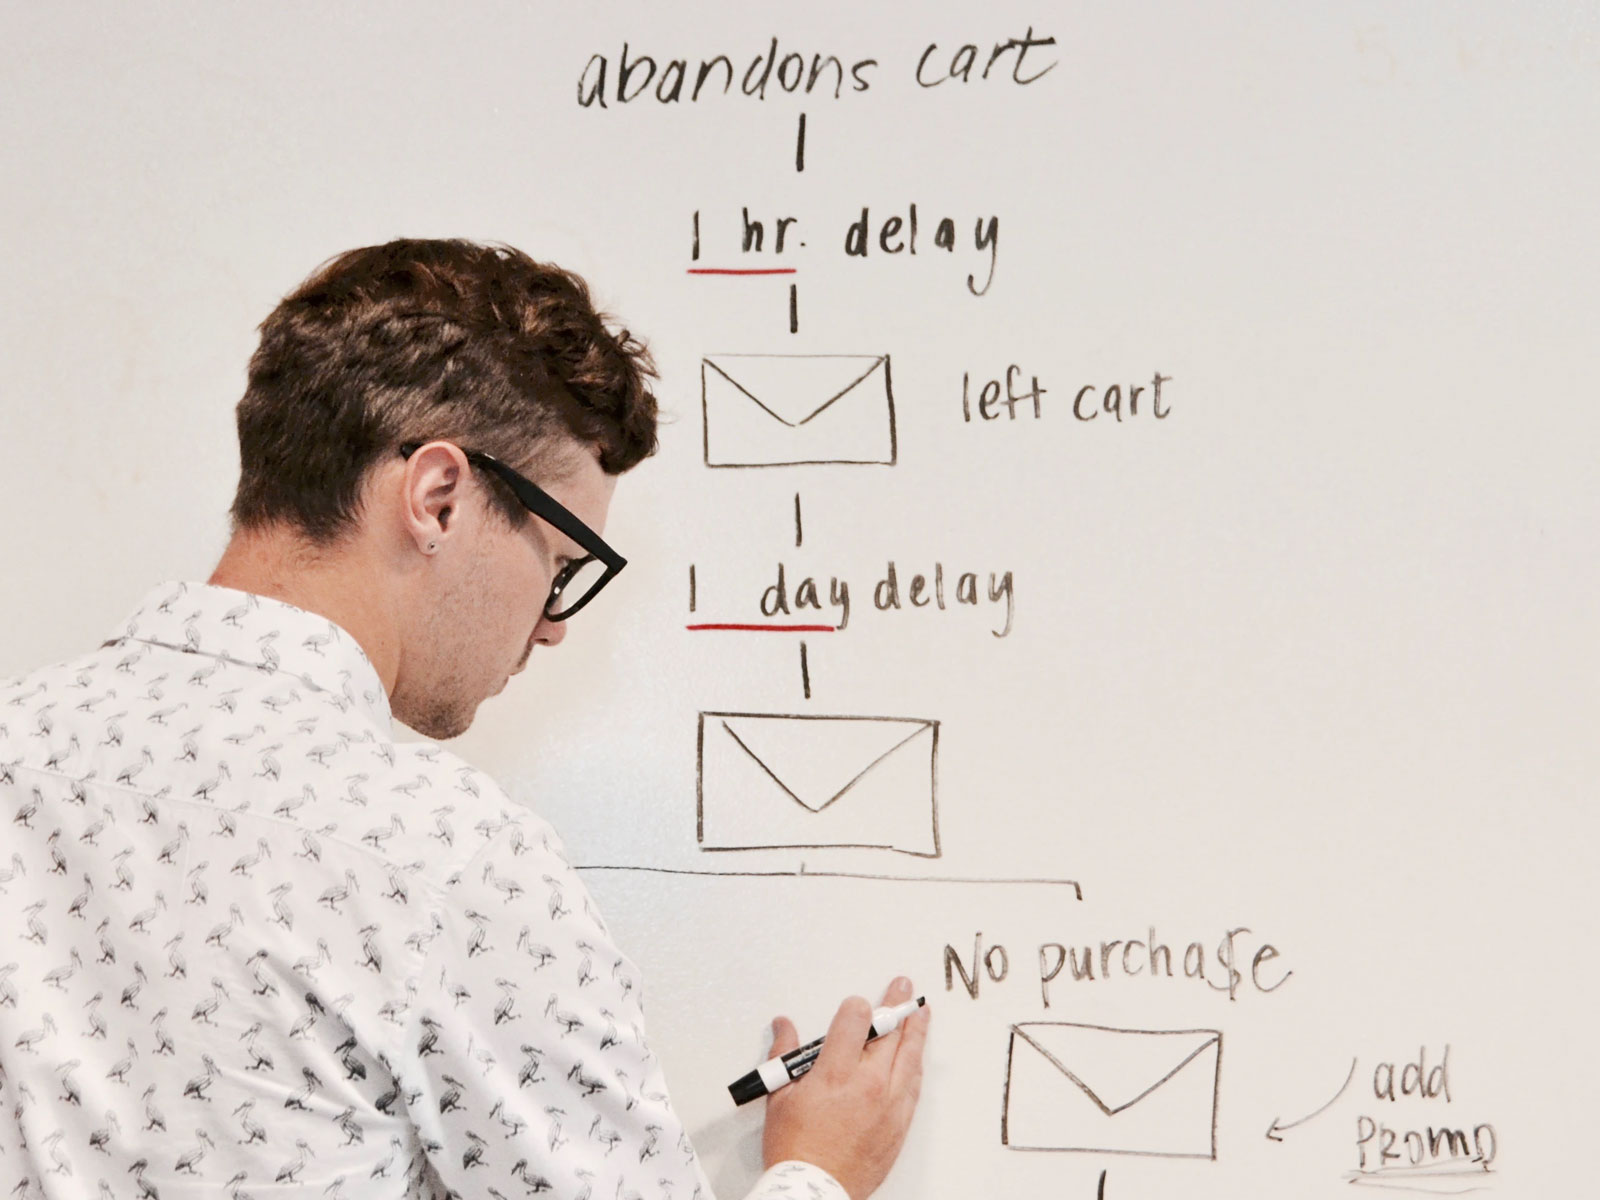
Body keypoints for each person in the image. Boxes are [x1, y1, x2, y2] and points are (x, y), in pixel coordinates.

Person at [0, 239, 929, 1199]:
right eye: (561, 565)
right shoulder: (449, 861)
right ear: (437, 498)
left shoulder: (16, 747)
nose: (554, 625)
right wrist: (822, 1170)